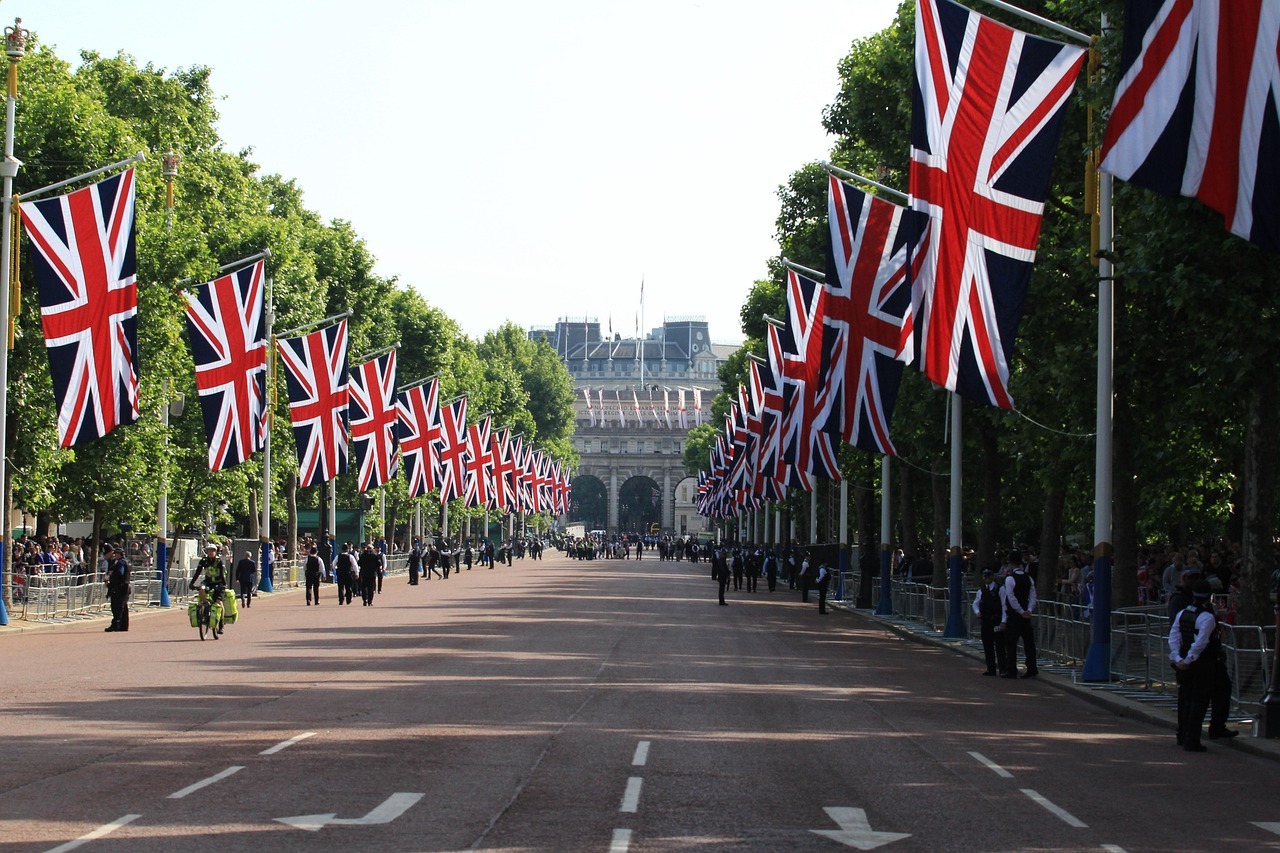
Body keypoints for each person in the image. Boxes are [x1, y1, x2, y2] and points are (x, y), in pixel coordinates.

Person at [1169, 580, 1238, 750]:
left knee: (1186, 699)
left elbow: (1174, 638)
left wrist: (1178, 658)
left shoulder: (1182, 613)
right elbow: (1201, 642)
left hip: (1185, 659)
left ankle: (1183, 734)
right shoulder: (1207, 617)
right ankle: (1192, 739)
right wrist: (1188, 660)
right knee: (1198, 701)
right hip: (1202, 662)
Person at [1001, 550, 1038, 678]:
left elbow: (1011, 597)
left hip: (1015, 615)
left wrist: (1021, 611)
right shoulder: (1029, 578)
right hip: (1026, 615)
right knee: (1029, 643)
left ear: (1011, 563)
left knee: (1011, 643)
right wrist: (1029, 610)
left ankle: (1011, 669)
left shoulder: (1010, 578)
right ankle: (1032, 668)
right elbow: (1033, 595)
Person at [972, 568, 1008, 676]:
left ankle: (1003, 669)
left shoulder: (1000, 589)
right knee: (987, 646)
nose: (987, 578)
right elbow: (975, 603)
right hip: (986, 620)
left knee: (1000, 646)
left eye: (988, 576)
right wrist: (977, 612)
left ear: (993, 576)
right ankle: (991, 668)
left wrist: (1003, 621)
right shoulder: (981, 590)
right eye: (985, 576)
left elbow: (1004, 605)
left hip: (997, 619)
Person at [104, 543, 131, 633]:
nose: (115, 556)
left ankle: (116, 624)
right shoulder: (125, 562)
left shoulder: (121, 563)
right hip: (124, 587)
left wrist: (110, 576)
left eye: (116, 554)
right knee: (123, 607)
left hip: (120, 588)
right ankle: (123, 625)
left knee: (117, 607)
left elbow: (119, 574)